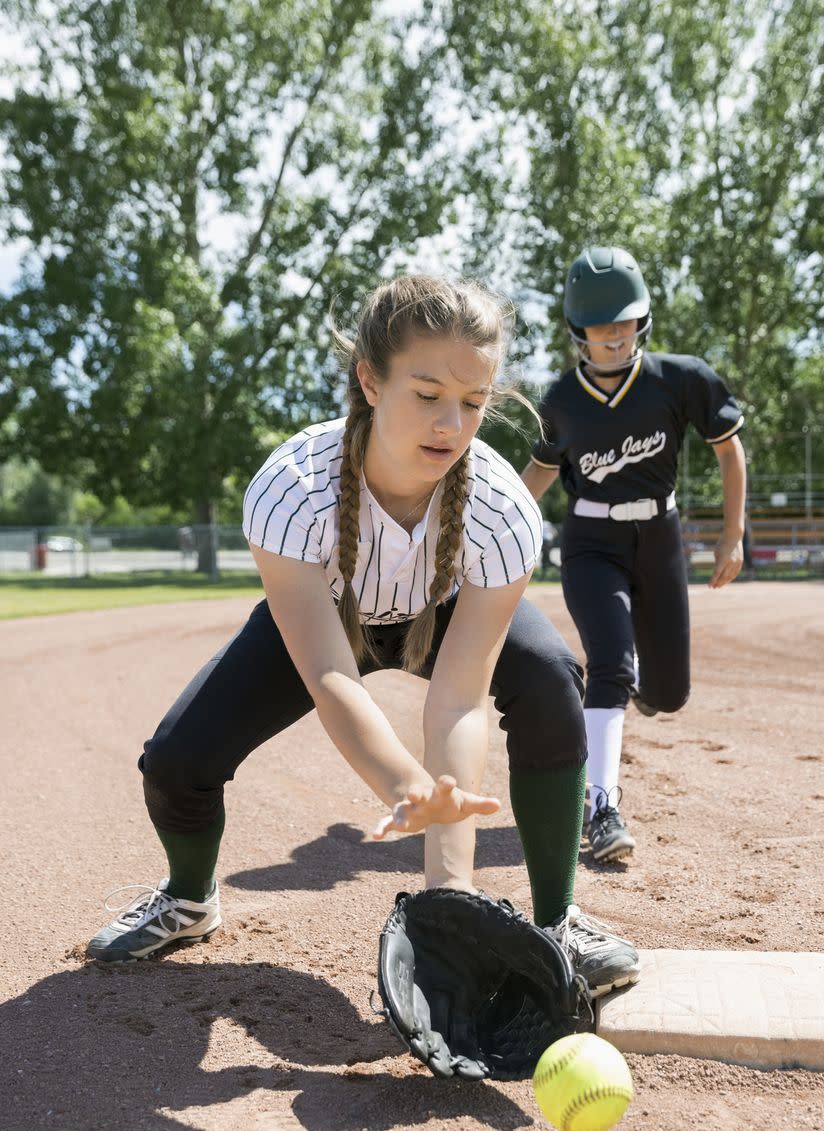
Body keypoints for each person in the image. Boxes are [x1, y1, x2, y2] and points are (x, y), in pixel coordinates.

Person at [85, 275, 640, 999]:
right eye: (427, 393)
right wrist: (406, 787)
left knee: (549, 676)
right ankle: (189, 901)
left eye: (473, 403)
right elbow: (330, 677)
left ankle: (558, 921)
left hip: (439, 612)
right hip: (334, 614)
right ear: (370, 380)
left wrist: (450, 895)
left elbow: (460, 702)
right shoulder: (292, 486)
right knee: (177, 758)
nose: (451, 423)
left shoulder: (503, 508)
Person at [521, 245, 747, 862]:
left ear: (643, 319)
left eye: (623, 321)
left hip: (662, 537)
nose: (613, 336)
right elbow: (537, 479)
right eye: (600, 326)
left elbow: (729, 450)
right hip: (591, 542)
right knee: (613, 665)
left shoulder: (681, 380)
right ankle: (601, 807)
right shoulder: (562, 400)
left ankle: (635, 693)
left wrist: (733, 532)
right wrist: (494, 524)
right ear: (577, 333)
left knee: (669, 694)